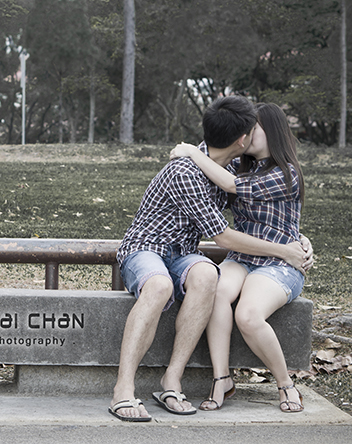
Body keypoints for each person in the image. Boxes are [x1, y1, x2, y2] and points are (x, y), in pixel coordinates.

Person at [108, 96, 311, 422]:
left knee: (207, 276)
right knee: (159, 286)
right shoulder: (186, 171)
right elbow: (224, 237)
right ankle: (123, 390)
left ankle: (171, 381)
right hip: (146, 248)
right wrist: (284, 249)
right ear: (242, 139)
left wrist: (297, 239)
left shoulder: (229, 165)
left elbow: (264, 206)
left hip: (183, 254)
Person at [170, 103, 308, 413]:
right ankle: (222, 378)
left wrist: (193, 152)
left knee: (247, 315)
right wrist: (197, 151)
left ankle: (285, 383)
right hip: (242, 258)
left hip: (280, 262)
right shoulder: (240, 164)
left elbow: (231, 185)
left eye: (253, 128)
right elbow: (219, 156)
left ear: (271, 131)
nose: (245, 135)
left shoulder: (286, 174)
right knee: (217, 293)